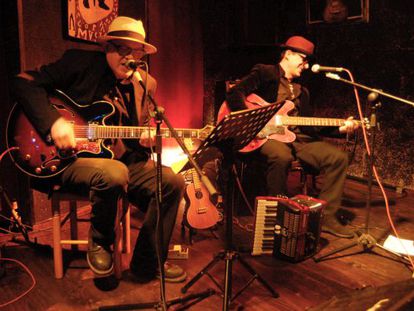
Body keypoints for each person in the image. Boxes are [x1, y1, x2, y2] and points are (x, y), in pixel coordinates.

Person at [11, 16, 187, 282]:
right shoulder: (79, 64)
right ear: (107, 49)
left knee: (172, 181)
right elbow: (23, 81)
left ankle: (147, 264)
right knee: (113, 172)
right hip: (69, 160)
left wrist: (148, 139)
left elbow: (140, 133)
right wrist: (53, 123)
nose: (128, 56)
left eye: (135, 51)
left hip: (123, 161)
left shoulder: (146, 85)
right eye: (121, 49)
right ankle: (100, 241)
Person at [225, 35, 359, 238]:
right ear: (288, 55)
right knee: (281, 156)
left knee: (337, 158)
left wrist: (341, 129)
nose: (305, 66)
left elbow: (311, 126)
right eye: (303, 60)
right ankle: (276, 218)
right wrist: (251, 120)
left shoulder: (302, 91)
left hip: (297, 138)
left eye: (307, 62)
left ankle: (328, 218)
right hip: (264, 136)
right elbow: (235, 93)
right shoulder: (265, 72)